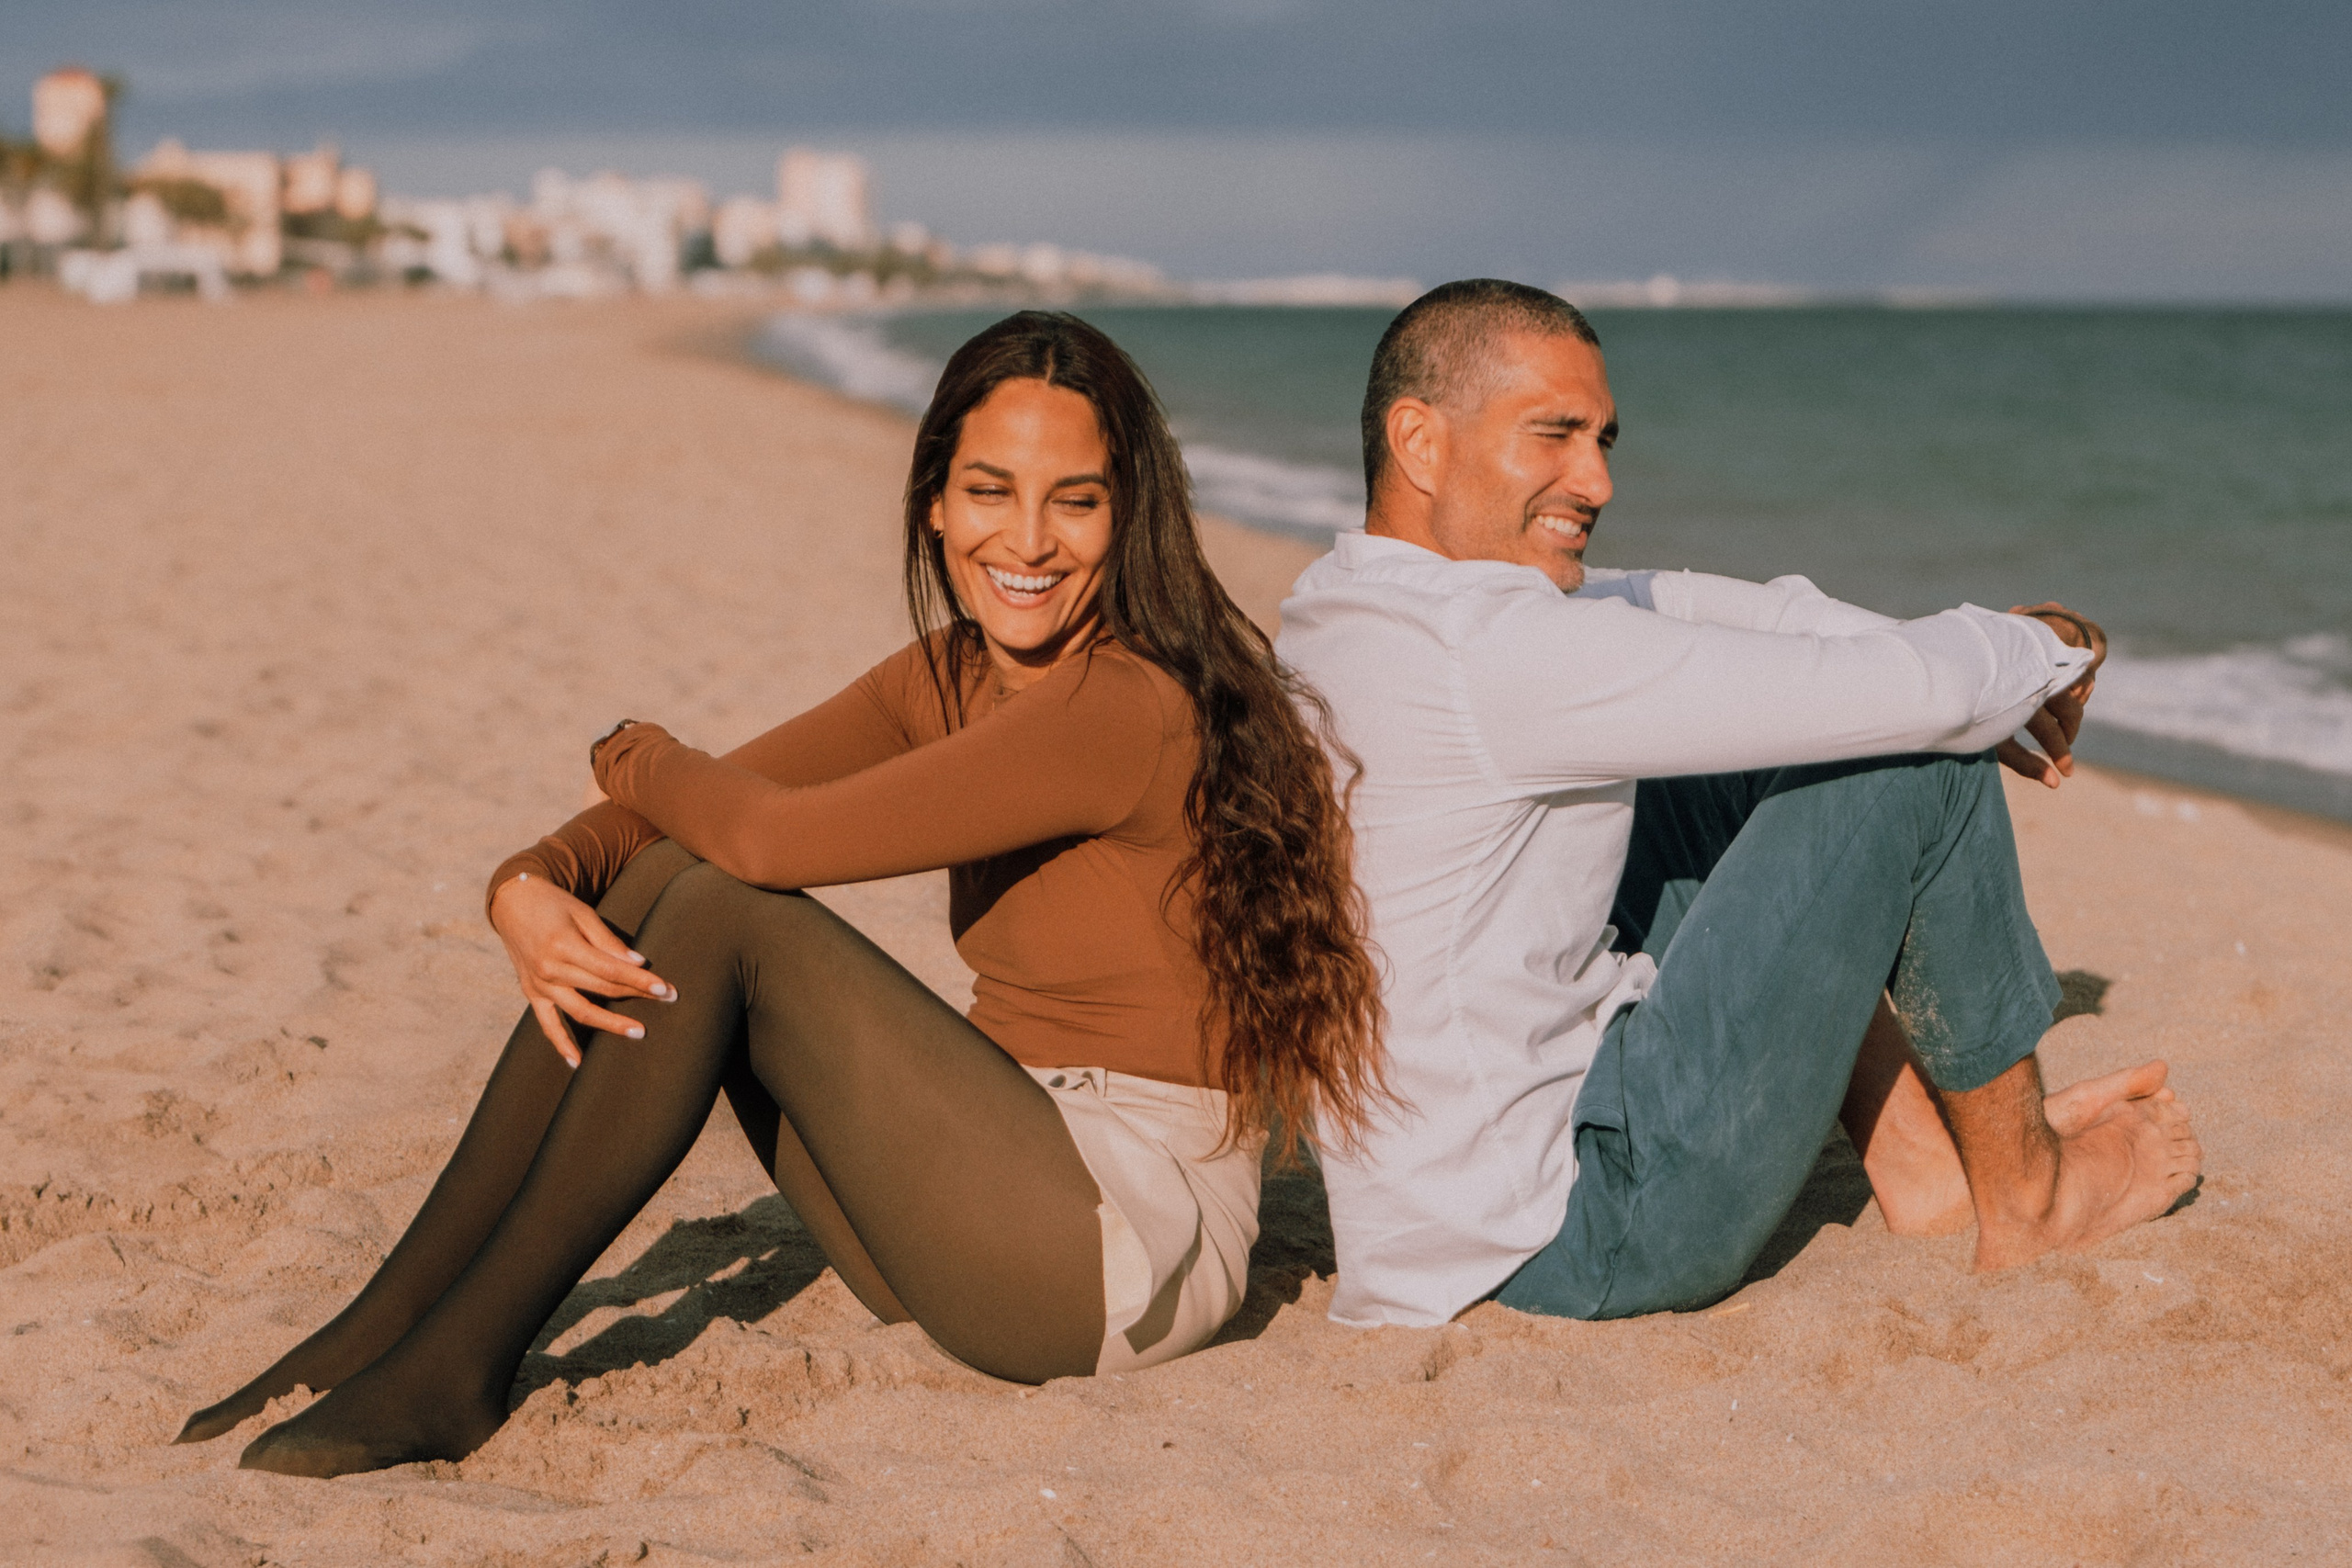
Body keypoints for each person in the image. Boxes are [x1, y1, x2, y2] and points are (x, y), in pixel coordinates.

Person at [175, 310, 1385, 1476]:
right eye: (989, 491)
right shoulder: (947, 673)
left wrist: (625, 742)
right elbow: (683, 822)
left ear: (1131, 520)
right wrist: (527, 883)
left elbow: (764, 834)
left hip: (1115, 1246)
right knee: (666, 877)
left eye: (1077, 500)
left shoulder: (1127, 703)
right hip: (975, 1204)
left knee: (726, 901)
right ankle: (387, 1320)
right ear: (934, 500)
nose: (1028, 540)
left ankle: (454, 1361)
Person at [1275, 279, 2201, 1329]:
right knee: (1920, 760)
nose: (1597, 479)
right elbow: (1927, 697)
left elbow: (1714, 612)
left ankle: (1922, 1168)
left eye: (1605, 440)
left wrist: (1981, 658)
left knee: (1717, 763)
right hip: (1583, 1235)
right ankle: (2030, 1192)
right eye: (1555, 435)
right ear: (1420, 440)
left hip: (1445, 1218)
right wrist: (2043, 649)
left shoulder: (1345, 610)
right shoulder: (1495, 654)